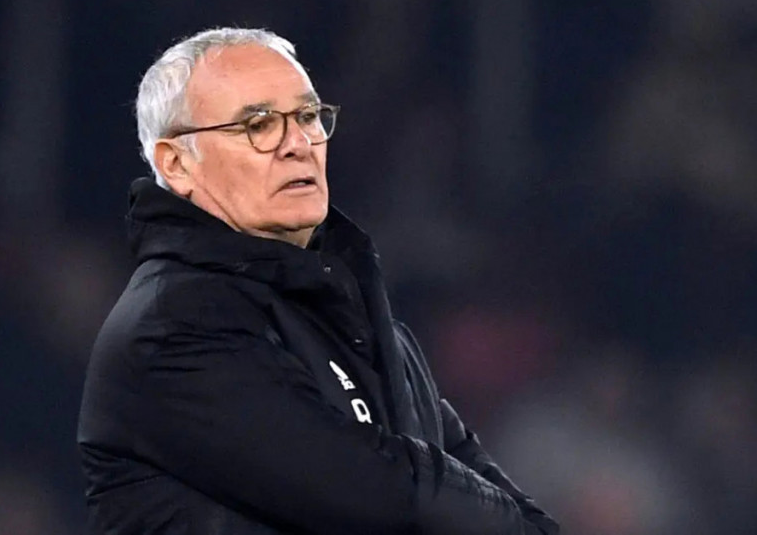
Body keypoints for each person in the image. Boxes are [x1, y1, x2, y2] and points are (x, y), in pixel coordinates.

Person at [77, 27, 559, 535]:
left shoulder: (365, 324)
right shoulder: (171, 328)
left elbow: (470, 480)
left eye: (308, 117)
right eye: (259, 124)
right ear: (176, 164)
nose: (298, 144)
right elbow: (377, 498)